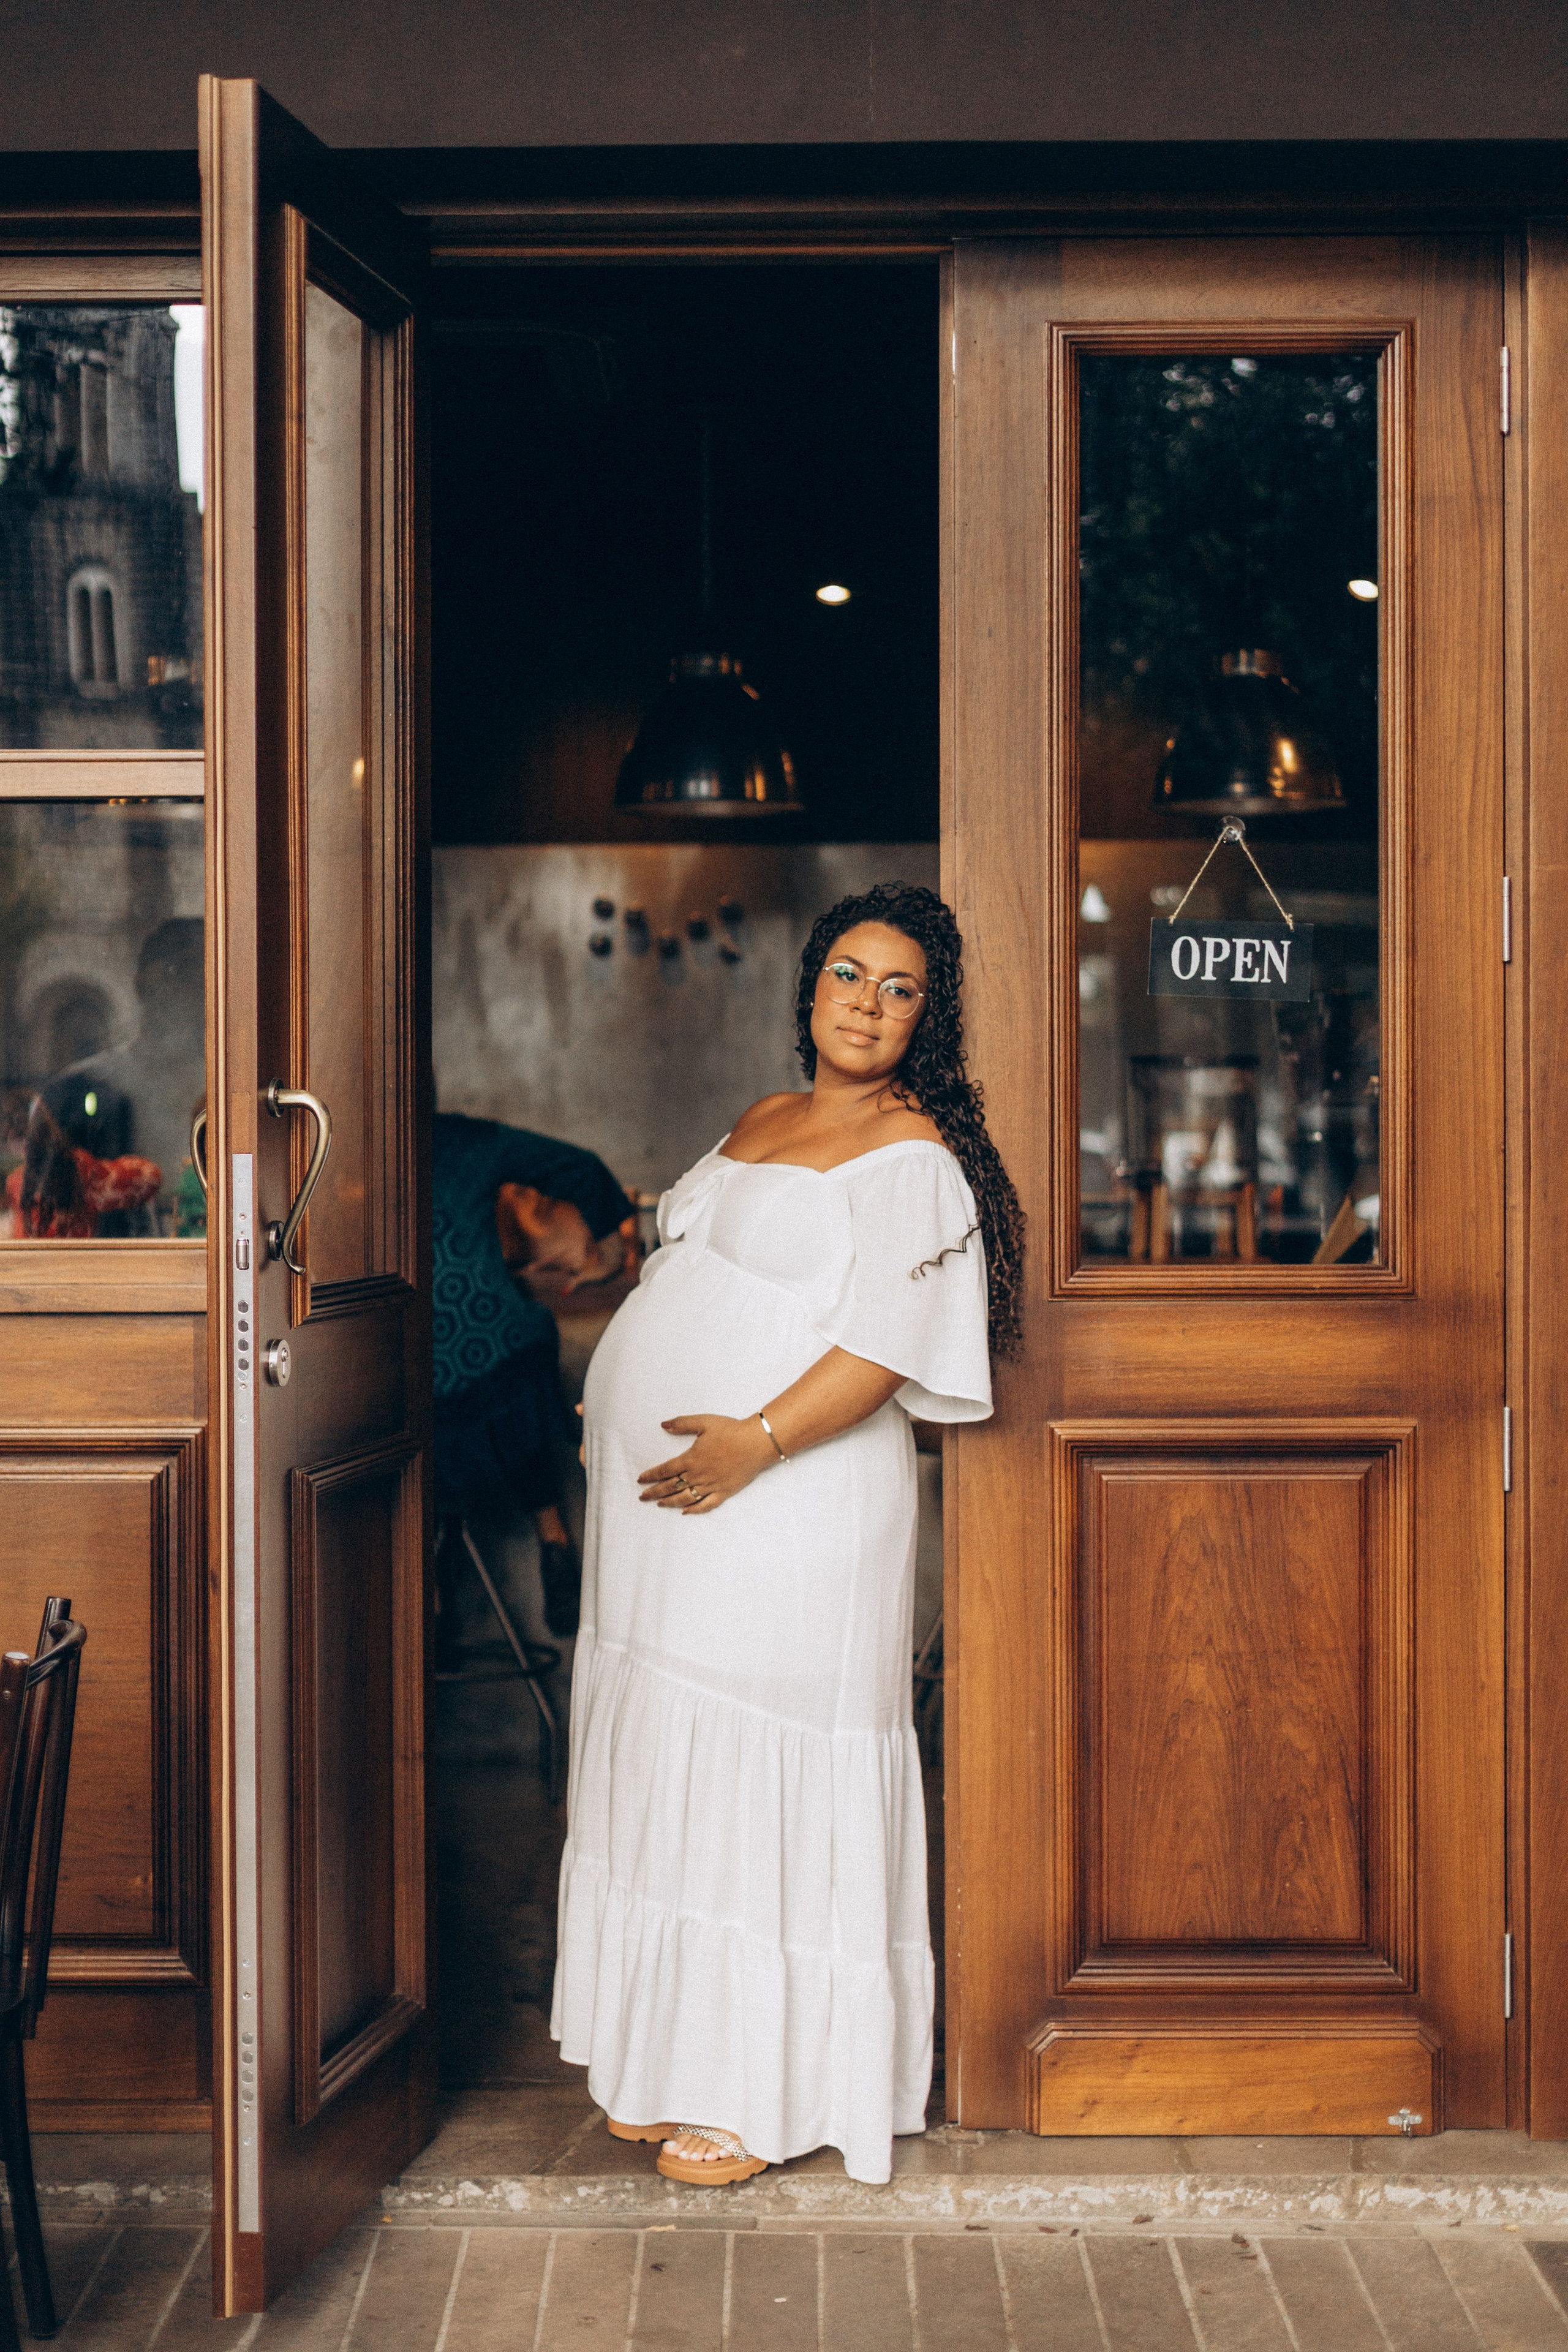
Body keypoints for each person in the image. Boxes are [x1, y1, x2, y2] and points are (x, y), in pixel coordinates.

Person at [551, 882, 1025, 2187]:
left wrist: (749, 1441)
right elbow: (682, 1271)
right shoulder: (764, 1117)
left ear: (927, 1018)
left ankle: (768, 2091)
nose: (867, 1005)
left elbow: (882, 1345)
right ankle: (676, 2056)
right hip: (674, 1521)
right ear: (808, 988)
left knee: (768, 1764)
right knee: (674, 1762)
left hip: (792, 1500)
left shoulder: (916, 1154)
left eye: (899, 988)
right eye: (848, 977)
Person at [432, 1112, 631, 1638]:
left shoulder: (329, 1149)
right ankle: (555, 1538)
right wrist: (610, 1255)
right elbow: (579, 1167)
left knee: (414, 1434)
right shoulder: (462, 1140)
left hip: (410, 1386)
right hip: (500, 1357)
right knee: (517, 1357)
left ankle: (427, 1586)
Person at [0, 1090, 160, 1238]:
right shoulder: (19, 1183)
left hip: (59, 1264)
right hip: (67, 1264)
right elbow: (150, 1177)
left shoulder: (76, 1172)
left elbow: (149, 1177)